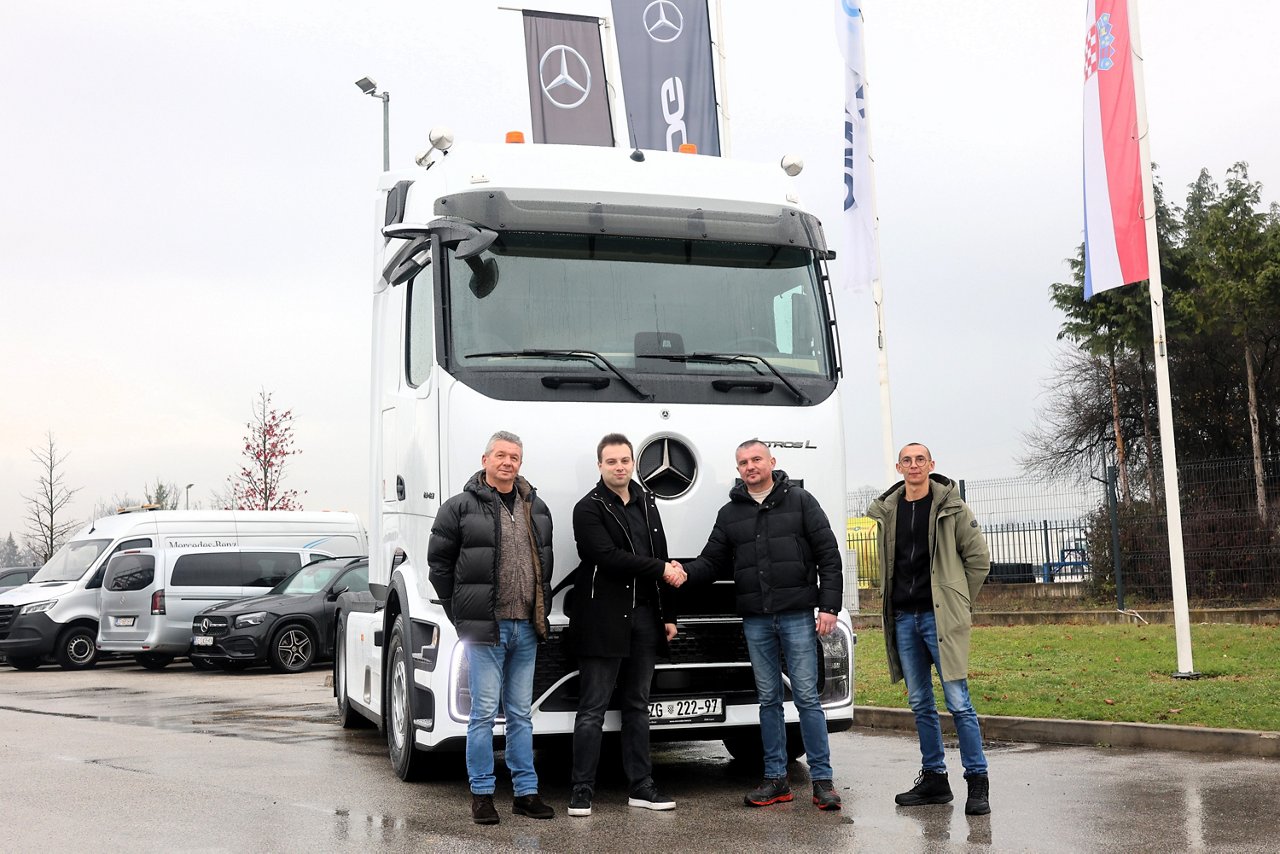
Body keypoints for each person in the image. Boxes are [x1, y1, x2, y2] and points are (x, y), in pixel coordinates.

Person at [681, 438, 844, 811]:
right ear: (738, 470)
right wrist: (681, 573)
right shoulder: (730, 514)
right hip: (756, 619)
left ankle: (823, 782)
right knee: (768, 699)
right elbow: (711, 562)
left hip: (797, 614)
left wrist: (829, 605)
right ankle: (775, 780)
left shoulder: (801, 502)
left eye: (756, 459)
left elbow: (828, 554)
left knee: (806, 698)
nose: (750, 466)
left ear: (772, 461)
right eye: (743, 462)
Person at [427, 430, 556, 825]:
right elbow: (439, 567)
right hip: (486, 629)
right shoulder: (459, 508)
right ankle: (482, 794)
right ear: (485, 460)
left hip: (526, 628)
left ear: (520, 463)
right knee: (482, 714)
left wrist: (540, 611)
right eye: (500, 455)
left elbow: (545, 565)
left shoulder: (536, 507)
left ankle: (526, 793)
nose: (507, 462)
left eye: (514, 457)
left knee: (520, 714)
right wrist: (461, 615)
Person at [866, 442, 992, 816]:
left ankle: (977, 780)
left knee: (958, 702)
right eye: (907, 460)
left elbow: (978, 560)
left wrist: (957, 601)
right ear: (899, 467)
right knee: (920, 703)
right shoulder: (889, 511)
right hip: (905, 619)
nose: (914, 465)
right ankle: (935, 779)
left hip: (941, 619)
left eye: (920, 459)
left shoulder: (952, 507)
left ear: (931, 464)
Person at [567, 433, 685, 817]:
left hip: (646, 618)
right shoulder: (588, 508)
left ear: (633, 463)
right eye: (612, 461)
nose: (619, 467)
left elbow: (661, 554)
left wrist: (669, 615)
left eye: (625, 460)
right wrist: (661, 569)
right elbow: (607, 557)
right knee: (593, 709)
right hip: (602, 620)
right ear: (599, 466)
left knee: (637, 705)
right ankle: (581, 790)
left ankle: (642, 787)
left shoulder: (647, 503)